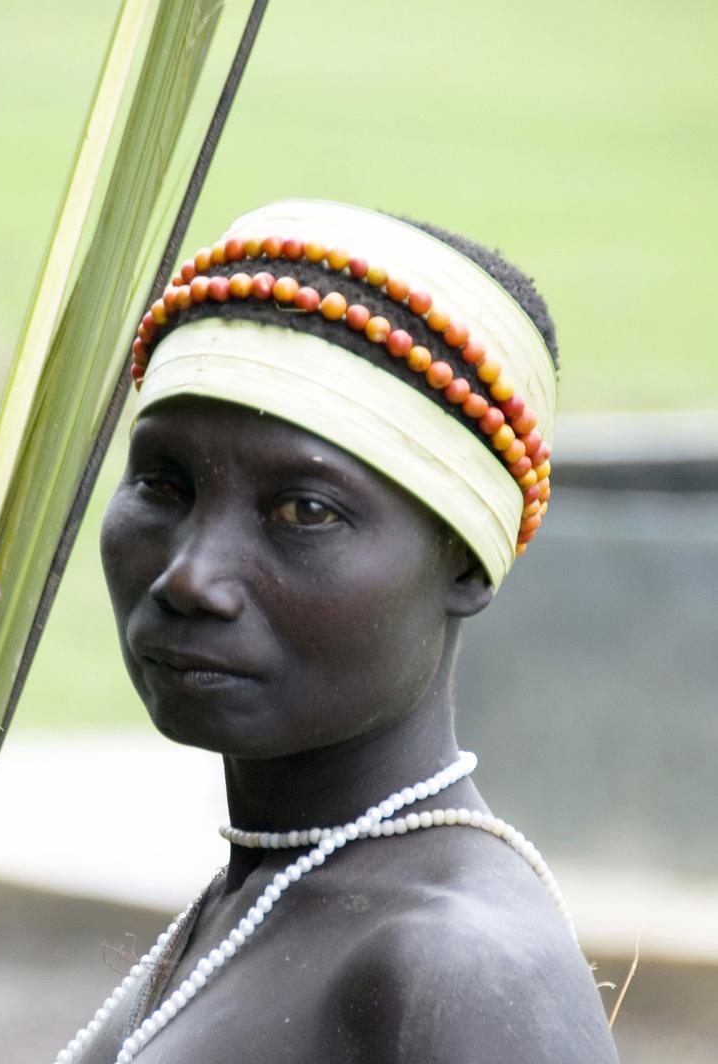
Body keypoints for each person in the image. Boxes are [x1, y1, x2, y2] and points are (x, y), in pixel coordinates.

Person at [56, 201, 619, 1063]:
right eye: (164, 485)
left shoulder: (453, 973)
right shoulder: (261, 898)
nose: (191, 578)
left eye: (304, 511)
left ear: (466, 564)